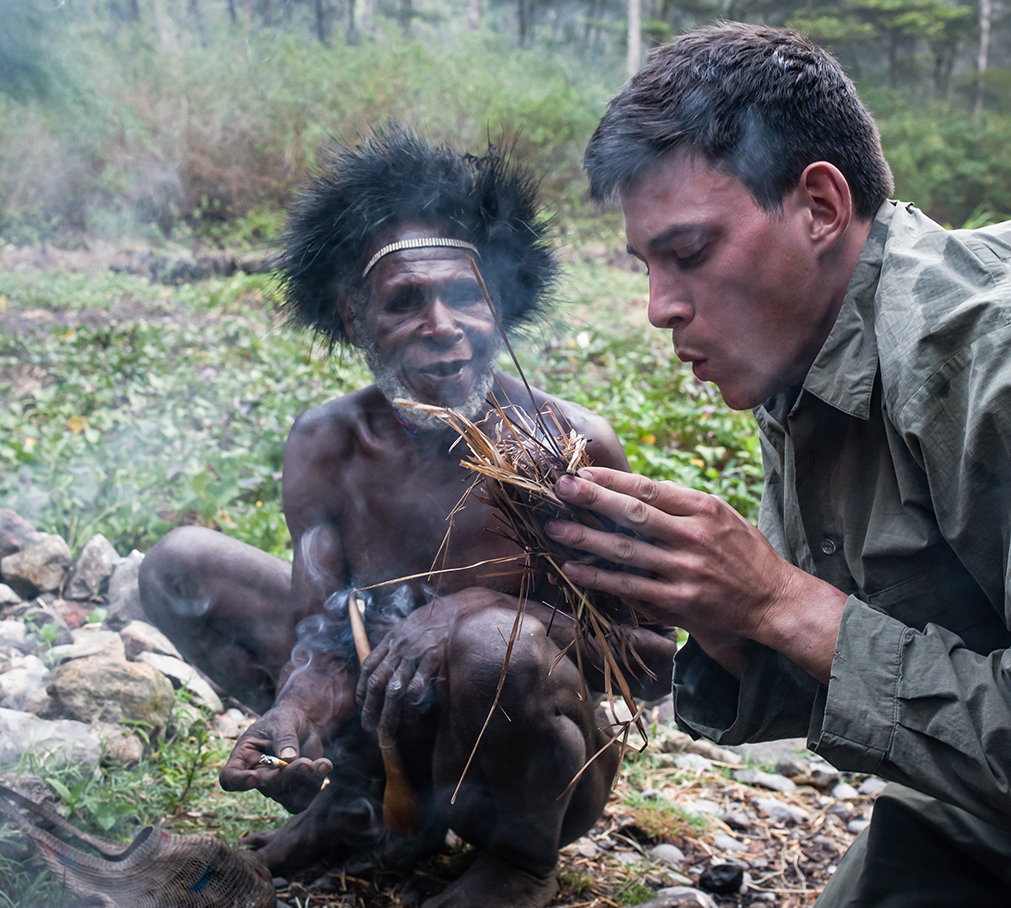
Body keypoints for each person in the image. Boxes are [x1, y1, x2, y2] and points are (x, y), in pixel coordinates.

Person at [548, 21, 1011, 906]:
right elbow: (871, 650)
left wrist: (778, 598)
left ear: (819, 206)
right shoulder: (809, 357)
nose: (659, 308)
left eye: (689, 253)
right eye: (645, 264)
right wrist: (715, 618)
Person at [138, 129, 674, 908]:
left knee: (493, 643)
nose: (444, 325)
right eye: (405, 302)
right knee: (182, 561)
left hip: (528, 777)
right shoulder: (328, 445)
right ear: (355, 320)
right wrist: (291, 716)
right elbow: (323, 634)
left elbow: (652, 659)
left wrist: (481, 611)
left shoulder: (565, 445)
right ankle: (357, 810)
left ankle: (518, 868)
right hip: (387, 745)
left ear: (497, 303)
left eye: (465, 295)